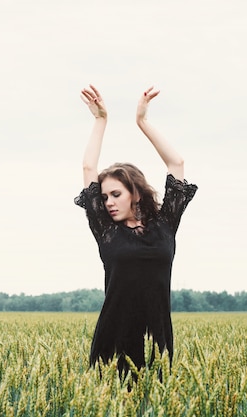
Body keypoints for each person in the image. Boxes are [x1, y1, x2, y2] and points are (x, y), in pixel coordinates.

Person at [74, 84, 198, 377]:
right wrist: (100, 121)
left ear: (136, 193)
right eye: (104, 198)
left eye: (116, 194)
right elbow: (88, 167)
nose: (109, 203)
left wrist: (142, 122)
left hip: (157, 336)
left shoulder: (165, 224)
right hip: (114, 337)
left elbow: (176, 162)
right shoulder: (106, 230)